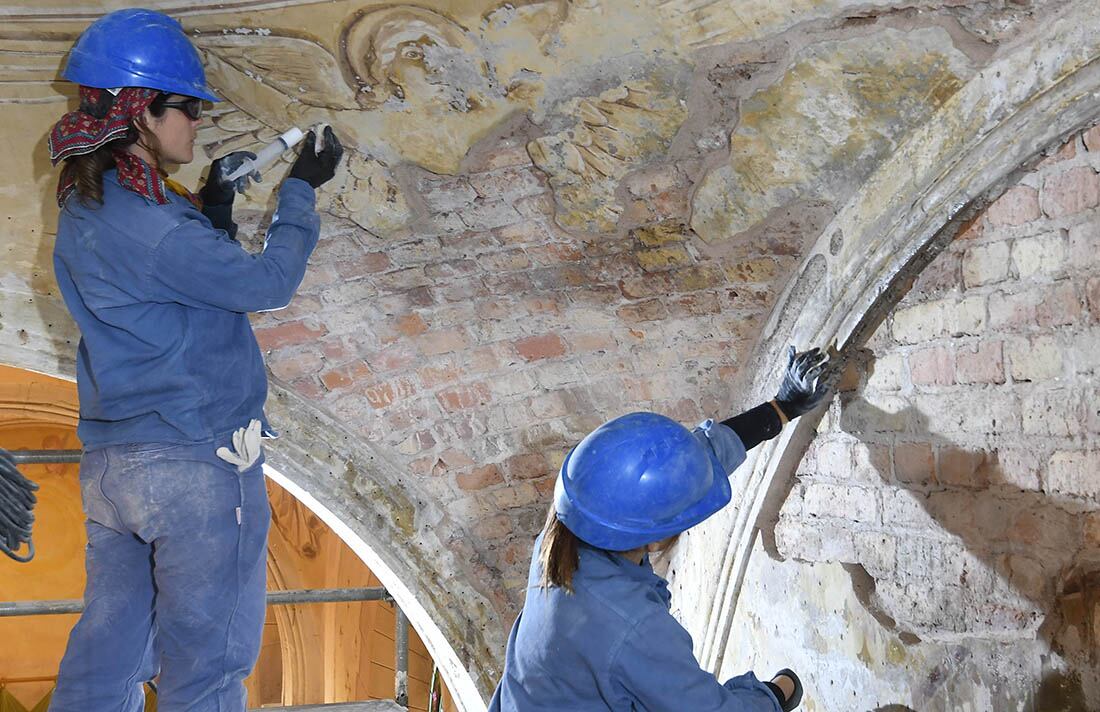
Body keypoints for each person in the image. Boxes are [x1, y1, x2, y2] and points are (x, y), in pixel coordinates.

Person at [45, 9, 343, 711]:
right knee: (205, 671)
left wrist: (213, 204)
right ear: (143, 111)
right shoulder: (153, 224)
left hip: (117, 468)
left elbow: (169, 292)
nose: (198, 124)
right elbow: (266, 285)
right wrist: (299, 190)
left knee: (108, 657)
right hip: (194, 466)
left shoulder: (92, 205)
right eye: (189, 109)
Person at [489, 347, 831, 712]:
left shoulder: (563, 533)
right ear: (654, 536)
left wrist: (780, 409)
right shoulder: (633, 628)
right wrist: (774, 694)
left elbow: (692, 459)